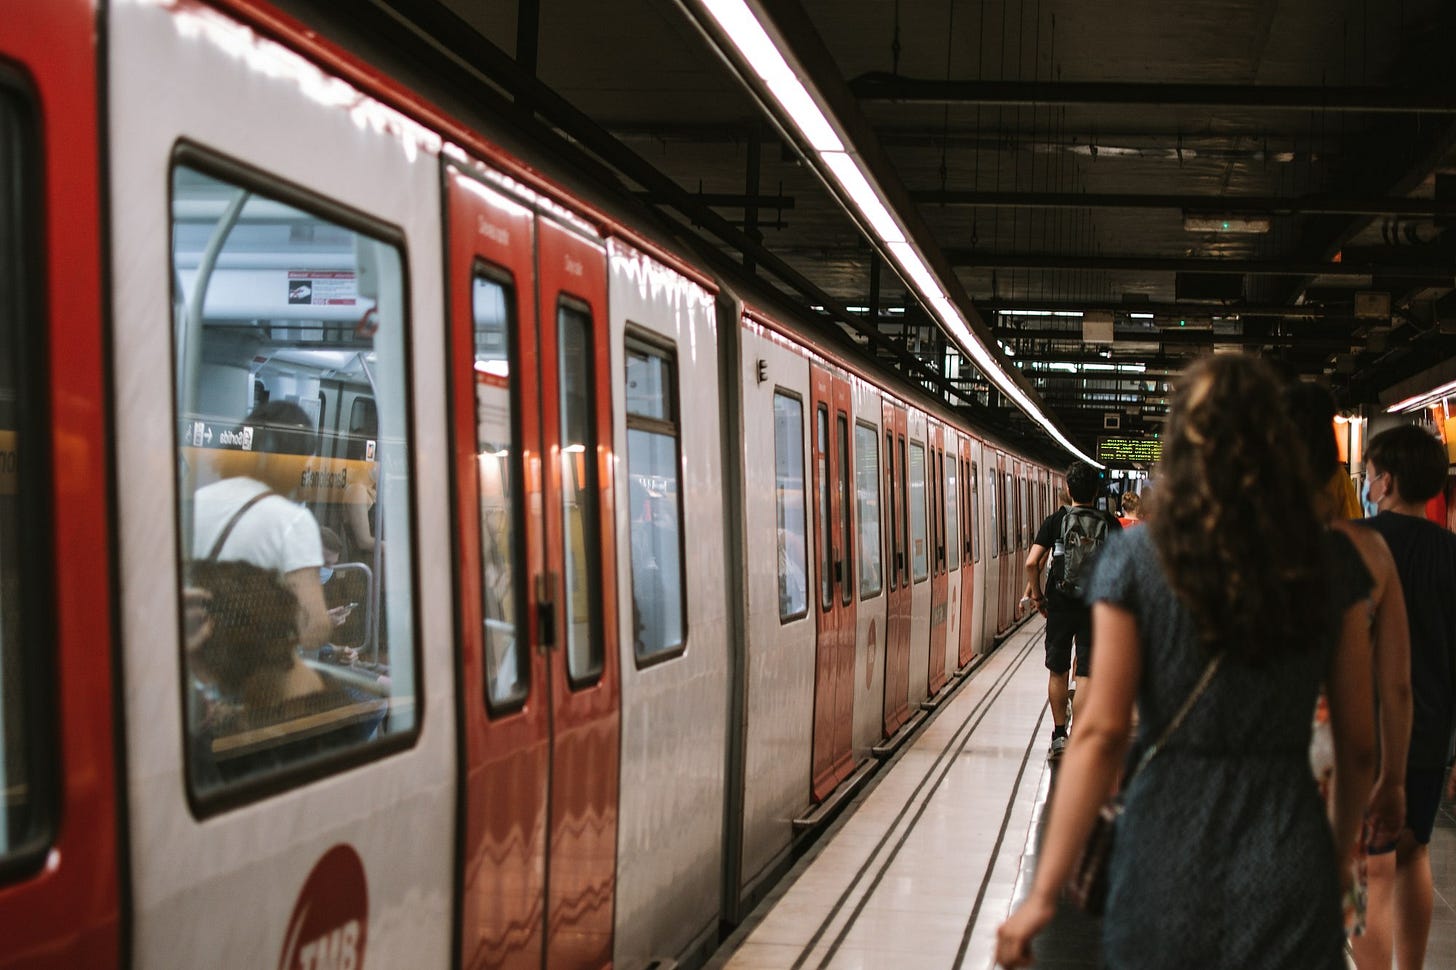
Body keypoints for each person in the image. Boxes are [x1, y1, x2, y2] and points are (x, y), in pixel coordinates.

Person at [998, 354, 1376, 970]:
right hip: (1290, 855)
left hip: (1163, 853)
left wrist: (1044, 895)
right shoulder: (1332, 563)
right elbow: (1359, 746)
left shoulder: (1139, 558)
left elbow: (1100, 734)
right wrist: (1333, 859)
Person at [1286, 382, 1413, 942]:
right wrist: (1390, 782)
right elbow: (1394, 690)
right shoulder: (1368, 554)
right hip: (1329, 778)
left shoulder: (1217, 551)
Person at [1354, 423, 1456, 970]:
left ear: (1385, 481)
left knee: (1371, 863)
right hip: (1432, 725)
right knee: (1414, 851)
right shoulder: (1452, 553)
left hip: (1364, 723)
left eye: (1368, 476)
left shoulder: (1354, 542)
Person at [1024, 462, 1122, 756]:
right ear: (1096, 491)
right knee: (1086, 673)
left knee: (1058, 670)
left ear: (1068, 489)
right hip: (1096, 605)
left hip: (1061, 604)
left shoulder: (1055, 521)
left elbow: (1032, 563)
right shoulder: (1111, 523)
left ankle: (1058, 736)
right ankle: (1080, 734)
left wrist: (1039, 597)